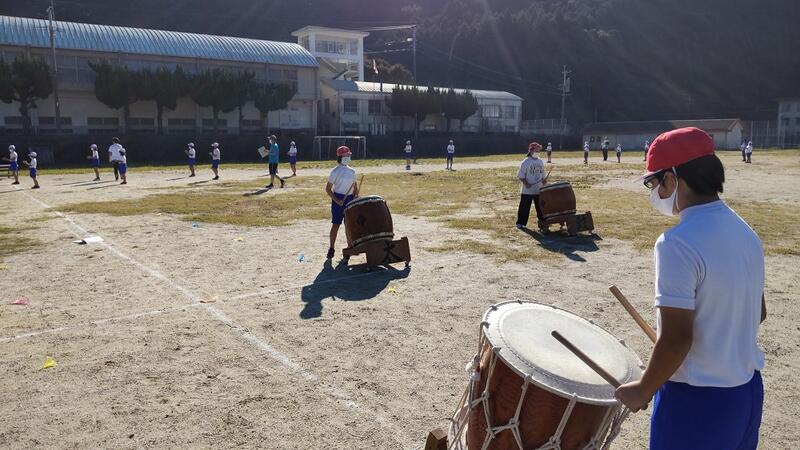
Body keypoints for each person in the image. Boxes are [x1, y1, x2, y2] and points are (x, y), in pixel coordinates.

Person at [615, 127, 766, 450]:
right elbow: (759, 311)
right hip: (747, 393)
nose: (654, 191)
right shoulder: (744, 231)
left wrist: (643, 389)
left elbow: (677, 339)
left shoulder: (676, 243)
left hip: (696, 403)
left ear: (672, 179)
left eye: (653, 183)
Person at [325, 145, 359, 260]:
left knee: (348, 225)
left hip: (349, 199)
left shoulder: (352, 171)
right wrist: (337, 200)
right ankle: (331, 248)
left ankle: (350, 247)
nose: (348, 157)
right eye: (346, 155)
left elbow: (355, 187)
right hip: (338, 199)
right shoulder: (335, 172)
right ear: (340, 157)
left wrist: (356, 196)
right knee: (336, 224)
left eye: (349, 155)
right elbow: (328, 189)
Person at [515, 142, 547, 229]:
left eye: (539, 150)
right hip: (527, 190)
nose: (538, 152)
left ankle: (543, 222)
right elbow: (520, 176)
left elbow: (543, 174)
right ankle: (520, 223)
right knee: (524, 207)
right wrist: (526, 183)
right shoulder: (525, 162)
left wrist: (544, 180)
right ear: (531, 150)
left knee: (541, 207)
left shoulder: (540, 161)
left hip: (538, 189)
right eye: (537, 150)